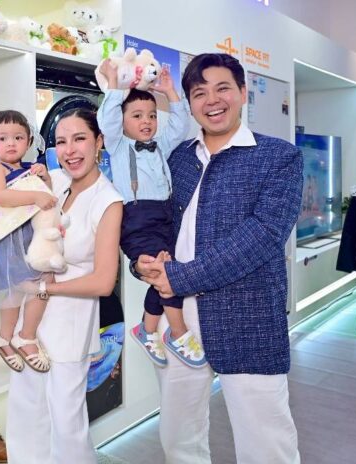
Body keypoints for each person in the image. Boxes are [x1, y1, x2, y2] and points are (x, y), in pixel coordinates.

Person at [135, 53, 303, 463]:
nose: (212, 100)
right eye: (199, 93)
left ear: (243, 93)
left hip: (248, 318)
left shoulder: (278, 157)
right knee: (178, 436)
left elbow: (263, 236)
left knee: (266, 444)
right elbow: (153, 219)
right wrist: (141, 261)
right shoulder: (177, 158)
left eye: (223, 88)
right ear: (190, 104)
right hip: (177, 319)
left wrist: (180, 277)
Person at [6, 108, 123, 463]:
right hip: (31, 320)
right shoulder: (54, 181)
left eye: (79, 138)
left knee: (66, 423)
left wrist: (45, 290)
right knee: (26, 411)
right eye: (61, 141)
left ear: (99, 141)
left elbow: (104, 281)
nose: (70, 150)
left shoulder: (107, 200)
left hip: (70, 321)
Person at [96, 59, 205, 369]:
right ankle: (178, 333)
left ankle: (147, 329)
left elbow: (180, 125)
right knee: (165, 272)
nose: (146, 121)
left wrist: (170, 92)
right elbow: (107, 120)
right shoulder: (118, 145)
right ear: (122, 120)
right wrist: (115, 84)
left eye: (152, 115)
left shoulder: (160, 145)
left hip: (165, 217)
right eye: (137, 116)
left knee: (166, 271)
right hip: (136, 220)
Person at [0, 110, 57, 373]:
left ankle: (5, 337)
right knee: (31, 286)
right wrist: (34, 195)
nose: (11, 143)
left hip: (29, 236)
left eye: (18, 137)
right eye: (3, 138)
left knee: (25, 288)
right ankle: (24, 337)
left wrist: (45, 178)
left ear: (28, 142)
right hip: (8, 238)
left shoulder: (29, 169)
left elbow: (48, 196)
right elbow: (1, 196)